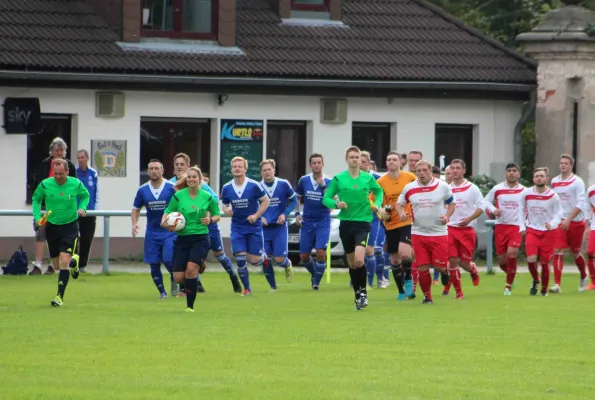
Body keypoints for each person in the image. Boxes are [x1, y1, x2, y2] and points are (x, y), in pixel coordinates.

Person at [322, 146, 384, 310]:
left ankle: (363, 292)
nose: (355, 160)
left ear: (362, 160)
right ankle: (357, 294)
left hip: (363, 222)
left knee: (358, 259)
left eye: (357, 157)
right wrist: (336, 203)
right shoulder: (339, 178)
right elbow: (326, 198)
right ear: (347, 159)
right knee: (351, 263)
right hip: (346, 223)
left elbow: (379, 192)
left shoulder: (368, 178)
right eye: (352, 157)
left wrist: (376, 205)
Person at [172, 153, 240, 293]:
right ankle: (195, 285)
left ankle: (233, 277)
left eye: (182, 164)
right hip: (188, 228)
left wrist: (209, 215)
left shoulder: (200, 183)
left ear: (188, 166)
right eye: (177, 164)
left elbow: (214, 199)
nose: (179, 167)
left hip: (208, 225)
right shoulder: (173, 184)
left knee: (219, 254)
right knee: (188, 257)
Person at [162, 166, 220, 312]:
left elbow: (217, 214)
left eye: (194, 177)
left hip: (200, 237)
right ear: (186, 180)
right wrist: (165, 223)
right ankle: (201, 264)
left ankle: (190, 306)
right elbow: (168, 212)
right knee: (178, 278)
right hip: (182, 239)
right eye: (189, 177)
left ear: (200, 179)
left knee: (190, 272)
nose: (192, 179)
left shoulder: (207, 197)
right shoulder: (178, 196)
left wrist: (210, 220)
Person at [396, 160, 455, 304]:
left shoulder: (443, 186)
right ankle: (427, 296)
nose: (422, 173)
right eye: (418, 171)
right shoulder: (409, 187)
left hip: (439, 233)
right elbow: (399, 204)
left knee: (439, 266)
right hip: (418, 233)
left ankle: (445, 271)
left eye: (425, 170)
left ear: (431, 171)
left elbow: (452, 203)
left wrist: (447, 216)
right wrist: (401, 213)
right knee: (422, 267)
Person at [32, 159, 88, 306]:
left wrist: (82, 207)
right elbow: (36, 199)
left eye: (61, 174)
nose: (57, 176)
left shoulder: (75, 184)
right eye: (55, 173)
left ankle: (59, 297)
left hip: (69, 226)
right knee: (56, 265)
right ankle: (74, 263)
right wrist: (38, 217)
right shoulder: (45, 184)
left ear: (67, 172)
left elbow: (85, 195)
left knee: (64, 261)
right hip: (52, 227)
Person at [221, 156, 271, 296]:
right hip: (237, 227)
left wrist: (256, 216)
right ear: (231, 169)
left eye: (240, 166)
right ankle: (247, 289)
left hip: (253, 226)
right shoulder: (227, 187)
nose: (237, 168)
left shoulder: (254, 185)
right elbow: (225, 205)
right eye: (234, 166)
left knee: (254, 260)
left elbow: (266, 202)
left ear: (245, 169)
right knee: (240, 260)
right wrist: (226, 210)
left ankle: (264, 258)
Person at [132, 159, 180, 299]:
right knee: (153, 263)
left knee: (168, 259)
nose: (154, 171)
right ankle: (162, 293)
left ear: (162, 171)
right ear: (148, 171)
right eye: (151, 168)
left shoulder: (172, 187)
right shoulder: (143, 190)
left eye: (156, 168)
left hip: (169, 232)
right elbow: (135, 209)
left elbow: (181, 206)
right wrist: (134, 224)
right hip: (152, 232)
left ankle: (174, 279)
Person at [29, 137, 77, 275]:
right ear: (52, 152)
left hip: (63, 209)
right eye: (57, 150)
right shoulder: (44, 165)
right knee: (41, 232)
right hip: (46, 207)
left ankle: (52, 265)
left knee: (57, 236)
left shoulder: (70, 167)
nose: (59, 153)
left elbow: (75, 187)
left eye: (62, 150)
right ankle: (37, 265)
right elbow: (37, 186)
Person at [377, 152, 416, 300]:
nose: (391, 162)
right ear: (386, 163)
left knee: (405, 253)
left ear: (400, 162)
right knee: (394, 259)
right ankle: (400, 291)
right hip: (390, 223)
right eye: (388, 160)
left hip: (406, 220)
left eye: (394, 159)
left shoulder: (410, 178)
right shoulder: (381, 181)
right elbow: (375, 203)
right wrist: (381, 213)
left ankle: (408, 279)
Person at [519, 167, 561, 296]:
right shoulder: (526, 193)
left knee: (544, 262)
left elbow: (559, 213)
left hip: (548, 232)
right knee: (531, 259)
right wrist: (522, 226)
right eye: (537, 176)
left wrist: (552, 224)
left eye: (542, 176)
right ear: (533, 179)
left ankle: (544, 289)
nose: (539, 178)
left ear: (546, 179)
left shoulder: (553, 196)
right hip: (532, 229)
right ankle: (536, 280)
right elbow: (521, 210)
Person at [483, 163, 526, 291]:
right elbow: (485, 201)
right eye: (509, 171)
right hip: (501, 227)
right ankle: (511, 274)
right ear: (505, 173)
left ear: (518, 174)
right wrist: (494, 209)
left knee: (511, 253)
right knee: (502, 261)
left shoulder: (524, 191)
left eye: (514, 171)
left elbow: (531, 205)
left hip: (516, 227)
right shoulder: (497, 189)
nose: (511, 173)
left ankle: (508, 287)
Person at [550, 154, 588, 293]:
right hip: (560, 221)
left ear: (571, 165)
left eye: (565, 163)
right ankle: (557, 284)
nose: (562, 165)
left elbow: (581, 204)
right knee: (558, 250)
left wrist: (569, 219)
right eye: (561, 163)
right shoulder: (554, 181)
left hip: (576, 221)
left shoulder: (577, 182)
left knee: (575, 252)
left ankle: (584, 276)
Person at [446, 159, 483, 299]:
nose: (454, 171)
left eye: (457, 168)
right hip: (450, 229)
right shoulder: (446, 189)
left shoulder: (472, 188)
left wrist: (469, 219)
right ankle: (458, 292)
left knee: (464, 263)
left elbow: (481, 207)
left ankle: (472, 269)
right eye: (452, 168)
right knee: (453, 261)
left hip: (467, 230)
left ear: (463, 171)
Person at [296, 153, 332, 290]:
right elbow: (297, 198)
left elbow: (333, 199)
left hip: (323, 220)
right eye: (314, 163)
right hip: (307, 221)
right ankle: (315, 274)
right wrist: (298, 213)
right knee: (304, 255)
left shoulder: (329, 181)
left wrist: (323, 186)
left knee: (320, 252)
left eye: (319, 162)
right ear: (310, 165)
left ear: (323, 164)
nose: (317, 165)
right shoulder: (304, 180)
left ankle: (316, 282)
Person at [260, 159, 298, 290]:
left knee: (279, 259)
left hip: (279, 227)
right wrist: (260, 217)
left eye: (269, 169)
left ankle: (287, 265)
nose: (267, 172)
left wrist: (285, 213)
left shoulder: (283, 184)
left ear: (274, 170)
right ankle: (273, 287)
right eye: (264, 170)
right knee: (265, 259)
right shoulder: (257, 187)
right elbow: (252, 205)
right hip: (264, 229)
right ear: (261, 173)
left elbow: (294, 201)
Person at [359, 151, 387, 289]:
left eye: (363, 162)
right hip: (357, 218)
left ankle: (375, 280)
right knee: (357, 251)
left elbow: (382, 195)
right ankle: (357, 278)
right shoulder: (351, 178)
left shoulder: (377, 178)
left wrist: (379, 207)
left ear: (369, 163)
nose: (360, 164)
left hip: (374, 219)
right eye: (358, 161)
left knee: (371, 250)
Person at [76, 149, 99, 274]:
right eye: (78, 157)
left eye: (82, 157)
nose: (80, 160)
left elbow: (97, 193)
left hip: (89, 212)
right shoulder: (73, 172)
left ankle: (83, 265)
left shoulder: (93, 173)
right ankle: (74, 263)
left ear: (87, 158)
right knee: (73, 238)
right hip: (75, 211)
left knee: (87, 238)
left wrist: (96, 210)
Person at [585, 184, 595, 290]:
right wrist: (587, 227)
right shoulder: (590, 190)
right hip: (594, 226)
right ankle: (594, 282)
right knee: (590, 252)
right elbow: (587, 210)